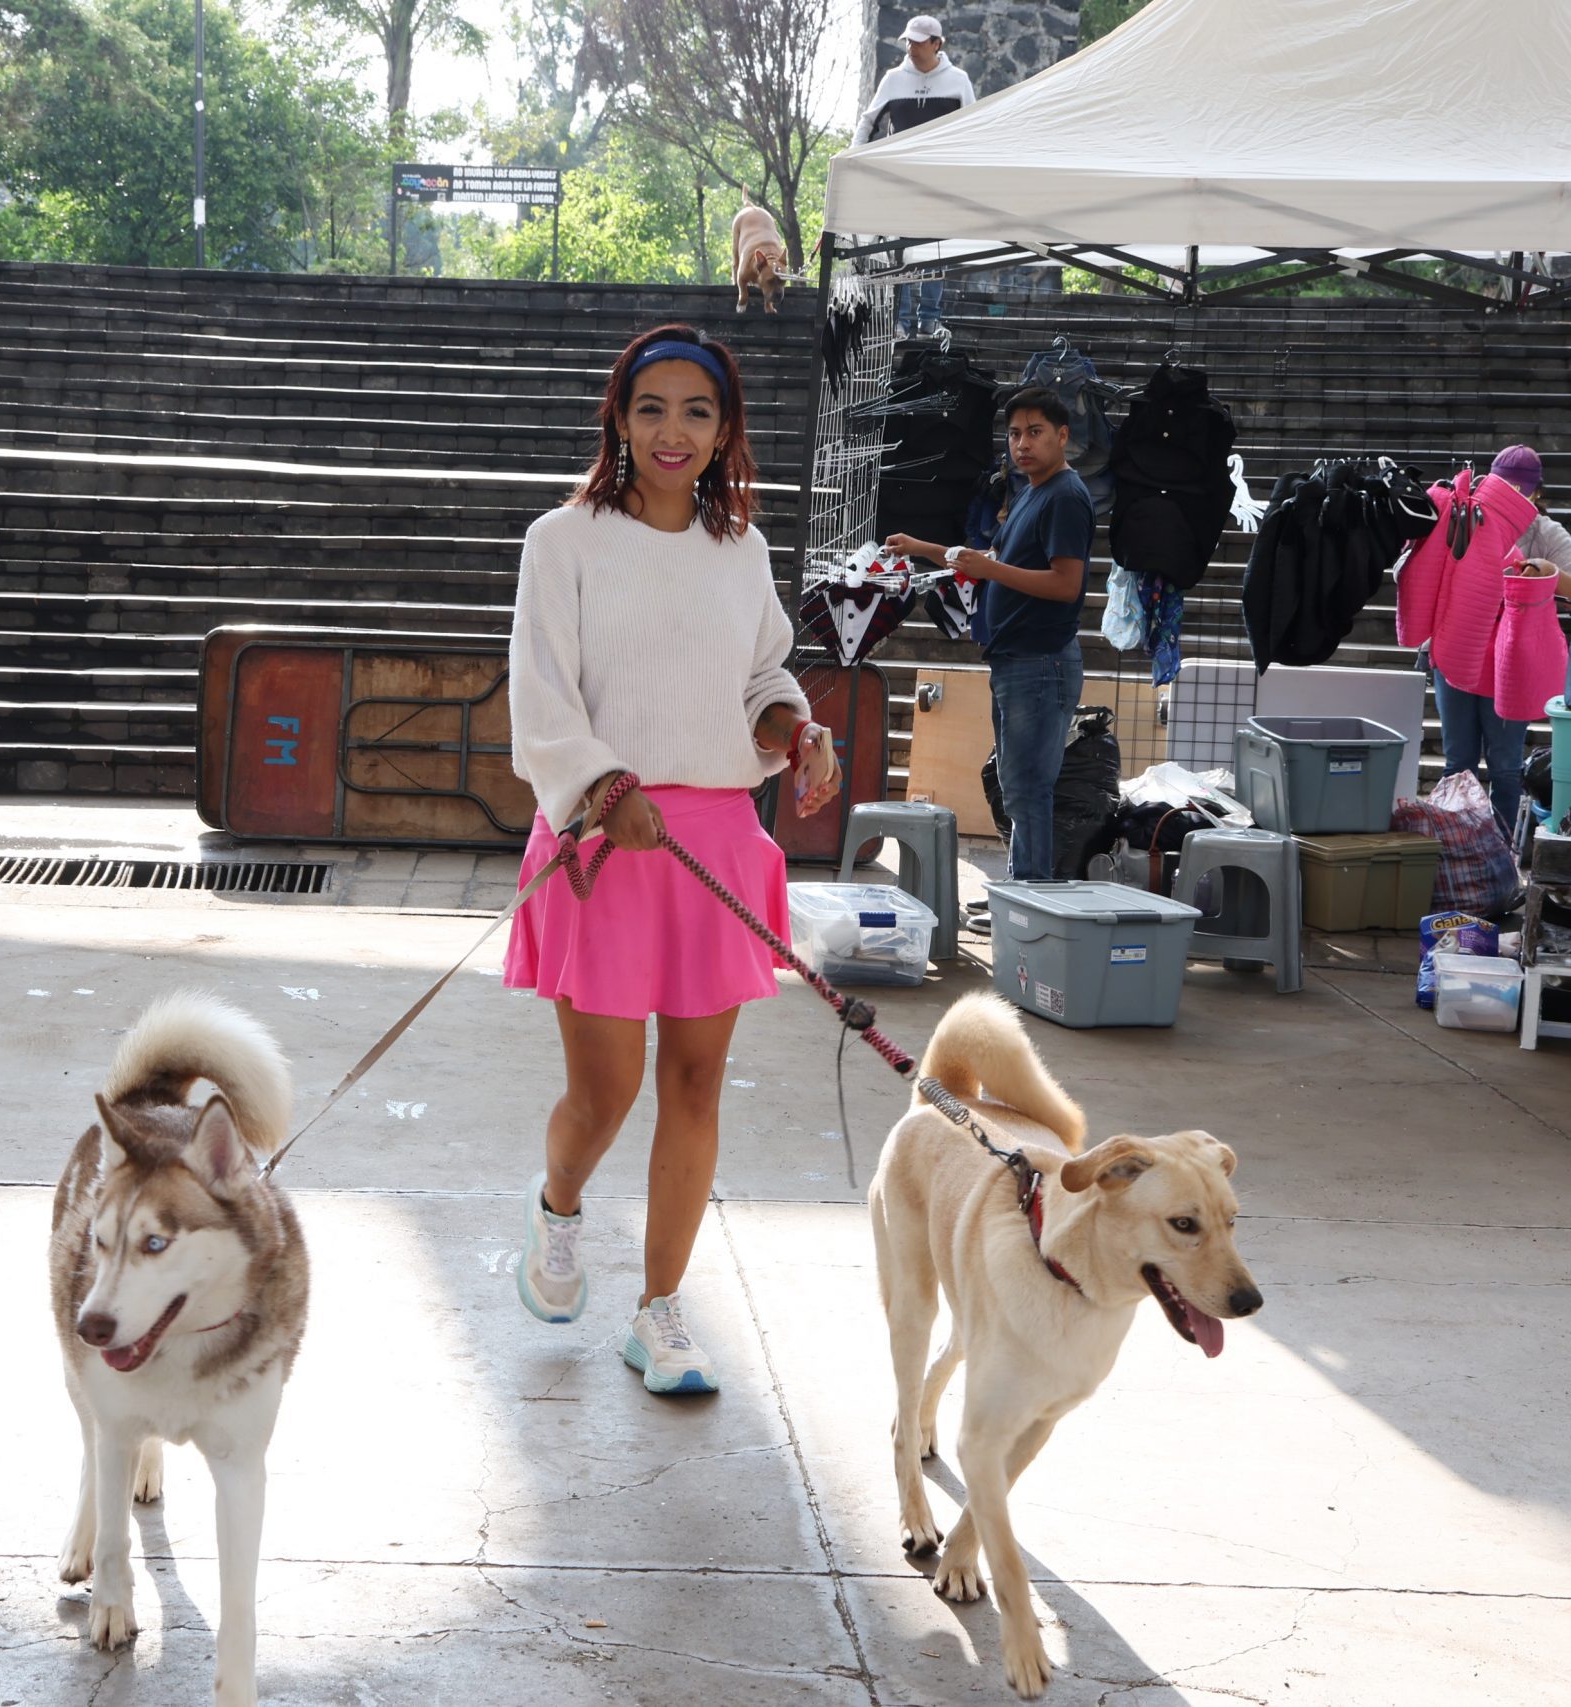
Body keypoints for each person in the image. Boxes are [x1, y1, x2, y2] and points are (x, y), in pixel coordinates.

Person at [505, 324, 841, 1397]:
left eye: (697, 411)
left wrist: (796, 731)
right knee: (601, 1097)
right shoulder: (562, 542)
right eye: (651, 407)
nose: (672, 431)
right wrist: (603, 789)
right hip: (604, 838)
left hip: (712, 844)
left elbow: (761, 677)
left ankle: (660, 1313)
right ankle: (558, 1213)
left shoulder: (738, 550)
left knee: (694, 1086)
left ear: (725, 429)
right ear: (618, 415)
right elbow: (541, 694)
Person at [888, 386, 1093, 880]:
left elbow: (1066, 585)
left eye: (1035, 433)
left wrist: (990, 570)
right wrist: (922, 547)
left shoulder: (1065, 496)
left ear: (1062, 436)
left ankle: (1031, 895)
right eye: (1015, 434)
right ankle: (1022, 888)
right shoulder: (1031, 490)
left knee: (1028, 787)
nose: (1022, 444)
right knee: (1016, 783)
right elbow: (992, 561)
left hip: (1040, 661)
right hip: (1015, 660)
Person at [1430, 443, 1571, 829]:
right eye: (1505, 487)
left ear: (1538, 493)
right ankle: (1458, 846)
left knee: (1505, 766)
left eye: (1522, 490)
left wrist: (1548, 572)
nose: (1513, 497)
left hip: (1510, 660)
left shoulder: (1547, 534)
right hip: (1456, 651)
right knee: (1458, 761)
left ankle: (1499, 851)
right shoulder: (1463, 518)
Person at [856, 15, 977, 338]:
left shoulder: (958, 80)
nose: (911, 47)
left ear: (937, 44)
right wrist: (855, 159)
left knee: (934, 250)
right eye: (908, 41)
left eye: (919, 41)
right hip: (898, 178)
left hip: (941, 180)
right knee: (901, 249)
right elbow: (869, 123)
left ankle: (930, 319)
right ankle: (901, 321)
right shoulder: (893, 79)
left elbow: (974, 129)